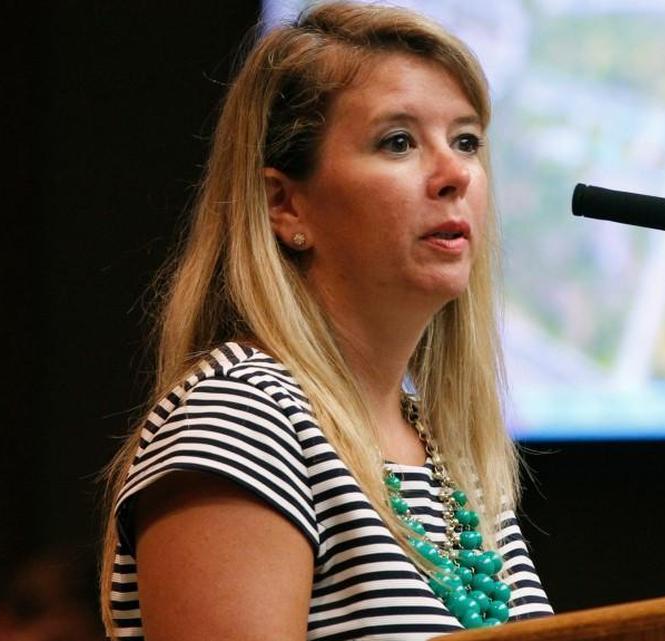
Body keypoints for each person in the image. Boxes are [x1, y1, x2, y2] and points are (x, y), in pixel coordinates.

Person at [98, 2, 553, 639]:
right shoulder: (242, 421)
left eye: (467, 141)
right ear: (286, 205)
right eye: (398, 142)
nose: (455, 174)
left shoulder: (450, 456)